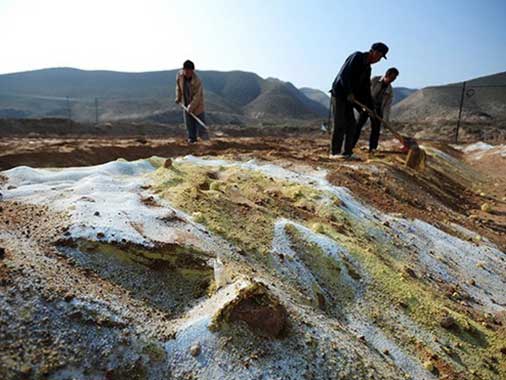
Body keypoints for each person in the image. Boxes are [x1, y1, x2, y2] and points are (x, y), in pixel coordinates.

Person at [329, 42, 389, 159]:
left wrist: (372, 109)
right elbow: (344, 75)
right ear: (375, 52)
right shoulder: (357, 57)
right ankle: (334, 153)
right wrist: (349, 92)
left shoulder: (367, 68)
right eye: (380, 57)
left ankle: (347, 152)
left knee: (352, 125)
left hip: (350, 99)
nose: (379, 60)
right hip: (340, 94)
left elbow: (366, 89)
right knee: (340, 123)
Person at [353, 67, 399, 154]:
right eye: (392, 78)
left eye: (394, 79)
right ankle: (350, 145)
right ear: (386, 75)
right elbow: (365, 91)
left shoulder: (390, 91)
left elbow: (387, 107)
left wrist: (386, 120)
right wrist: (365, 104)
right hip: (366, 105)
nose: (392, 81)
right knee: (358, 125)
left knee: (376, 129)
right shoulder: (374, 80)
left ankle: (373, 148)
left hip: (378, 109)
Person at [175, 60, 208, 144]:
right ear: (183, 70)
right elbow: (178, 87)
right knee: (189, 123)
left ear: (193, 71)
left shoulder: (197, 80)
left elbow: (197, 97)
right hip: (186, 102)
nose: (188, 73)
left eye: (190, 71)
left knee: (200, 124)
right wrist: (178, 98)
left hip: (197, 105)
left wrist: (191, 106)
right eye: (186, 71)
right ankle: (192, 139)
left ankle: (205, 141)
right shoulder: (180, 76)